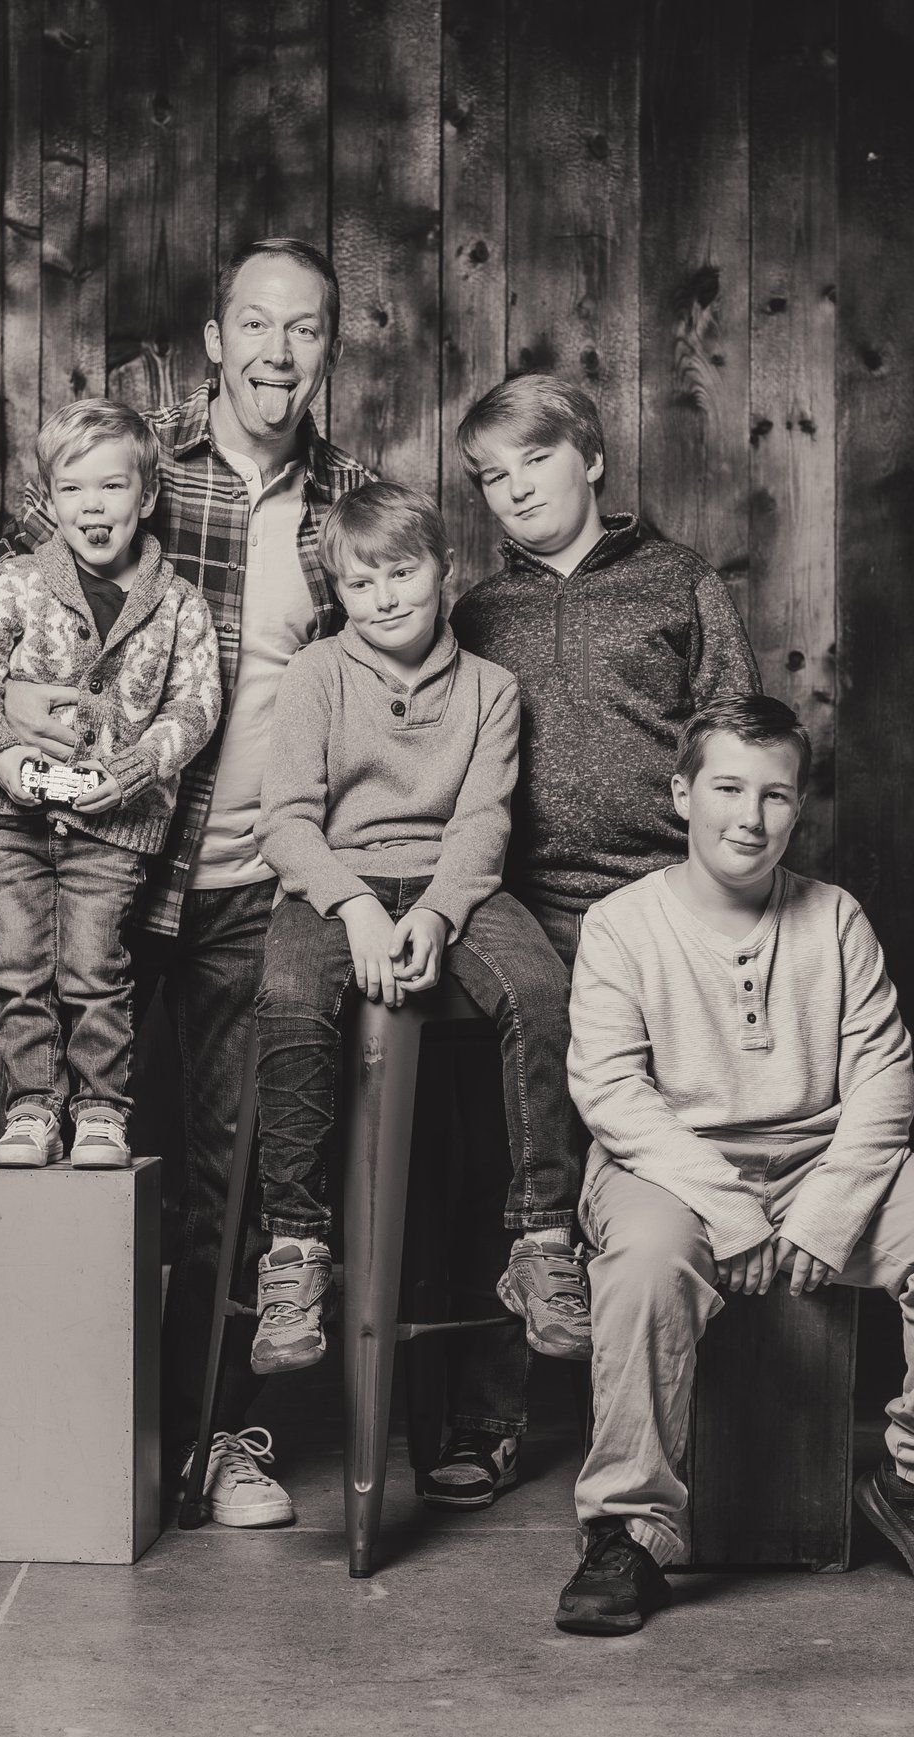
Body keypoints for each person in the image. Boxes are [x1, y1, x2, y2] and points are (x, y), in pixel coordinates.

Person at [0, 238, 375, 1542]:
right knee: (37, 1136)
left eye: (304, 329)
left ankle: (214, 1434)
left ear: (329, 354)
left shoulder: (350, 508)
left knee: (222, 1181)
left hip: (256, 890)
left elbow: (391, 690)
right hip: (103, 863)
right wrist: (40, 743)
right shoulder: (143, 478)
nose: (277, 350)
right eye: (255, 323)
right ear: (213, 340)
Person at [552, 694, 914, 1635]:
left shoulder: (834, 918)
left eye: (775, 795)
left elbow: (884, 1080)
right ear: (682, 795)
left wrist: (823, 1215)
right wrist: (730, 1210)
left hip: (817, 1164)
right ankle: (626, 1533)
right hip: (667, 1169)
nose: (749, 817)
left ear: (798, 808)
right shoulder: (620, 925)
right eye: (727, 788)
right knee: (643, 1263)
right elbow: (611, 1094)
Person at [417, 373, 763, 1509]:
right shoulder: (475, 610)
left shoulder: (677, 581)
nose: (514, 492)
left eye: (534, 463)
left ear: (591, 458)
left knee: (672, 1152)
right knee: (509, 1162)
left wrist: (718, 899)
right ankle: (487, 1410)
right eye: (491, 478)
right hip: (518, 910)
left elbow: (735, 741)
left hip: (658, 904)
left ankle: (700, 1408)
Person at [246, 482, 589, 1377]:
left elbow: (483, 824)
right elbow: (284, 822)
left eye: (403, 573)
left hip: (454, 883)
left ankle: (543, 1240)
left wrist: (437, 910)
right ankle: (294, 1251)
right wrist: (354, 905)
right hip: (336, 881)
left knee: (545, 992)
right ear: (339, 594)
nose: (386, 597)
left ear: (444, 571)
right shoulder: (318, 674)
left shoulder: (491, 689)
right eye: (362, 585)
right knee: (287, 999)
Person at [0, 398, 220, 1171]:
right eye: (73, 490)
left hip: (113, 829)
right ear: (51, 501)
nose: (93, 507)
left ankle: (100, 1111)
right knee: (19, 970)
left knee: (96, 970)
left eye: (113, 488)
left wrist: (131, 770)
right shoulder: (18, 584)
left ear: (147, 496)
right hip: (15, 823)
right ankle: (32, 1106)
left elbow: (196, 709)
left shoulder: (180, 605)